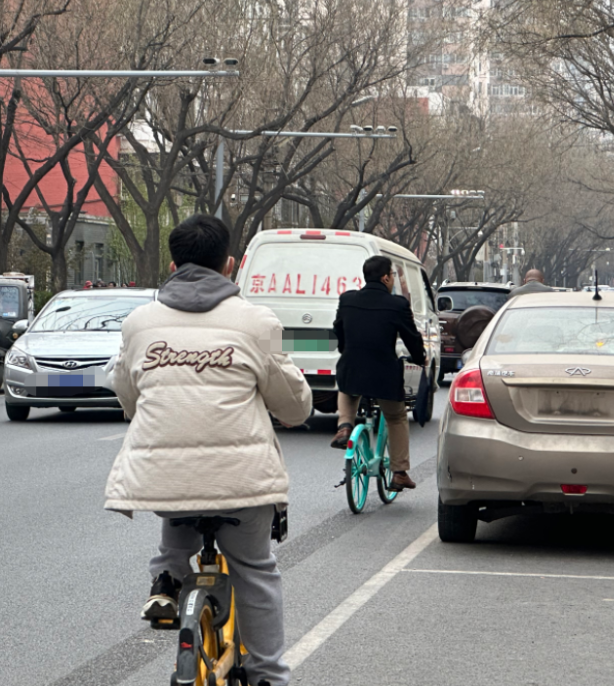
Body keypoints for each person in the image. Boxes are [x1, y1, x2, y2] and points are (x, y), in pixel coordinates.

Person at [104, 214, 311, 686]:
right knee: (256, 571)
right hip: (241, 482)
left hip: (161, 478)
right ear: (231, 265)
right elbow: (294, 407)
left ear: (173, 264)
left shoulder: (139, 324)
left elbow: (127, 397)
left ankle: (168, 579)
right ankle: (268, 676)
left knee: (179, 500)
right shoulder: (255, 322)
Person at [330, 256, 426, 491]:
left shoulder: (347, 299)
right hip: (384, 374)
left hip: (351, 368)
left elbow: (338, 331)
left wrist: (347, 350)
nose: (393, 280)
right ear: (385, 277)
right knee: (396, 417)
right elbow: (411, 338)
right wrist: (419, 357)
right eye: (392, 275)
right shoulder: (397, 305)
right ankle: (400, 472)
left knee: (347, 388)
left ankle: (344, 426)